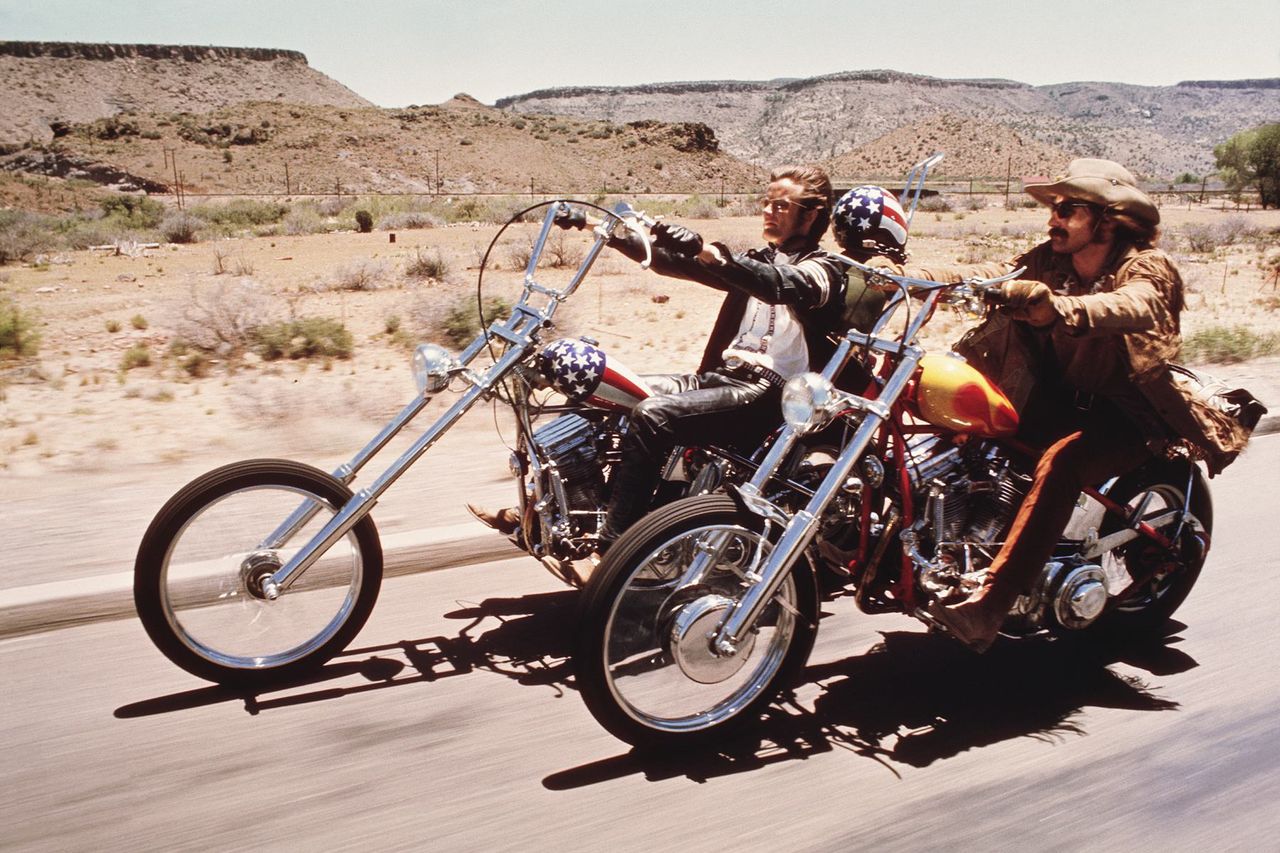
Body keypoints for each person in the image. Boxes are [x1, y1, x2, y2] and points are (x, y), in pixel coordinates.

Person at [926, 158, 1257, 652]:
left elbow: (1136, 304)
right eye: (1054, 208)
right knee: (964, 424)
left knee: (1063, 463)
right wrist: (912, 275)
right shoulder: (1050, 261)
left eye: (1067, 209)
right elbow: (991, 273)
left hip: (1126, 413)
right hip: (1056, 400)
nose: (1053, 219)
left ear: (1107, 219)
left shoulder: (1146, 265)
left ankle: (989, 608)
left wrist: (1059, 308)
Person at [469, 166, 849, 583]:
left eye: (782, 205)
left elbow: (778, 284)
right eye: (766, 202)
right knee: (605, 392)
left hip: (768, 394)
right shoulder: (757, 259)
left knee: (654, 415)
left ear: (811, 215)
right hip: (723, 376)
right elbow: (672, 262)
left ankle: (613, 554)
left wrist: (712, 254)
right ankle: (553, 516)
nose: (769, 212)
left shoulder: (826, 271)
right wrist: (598, 228)